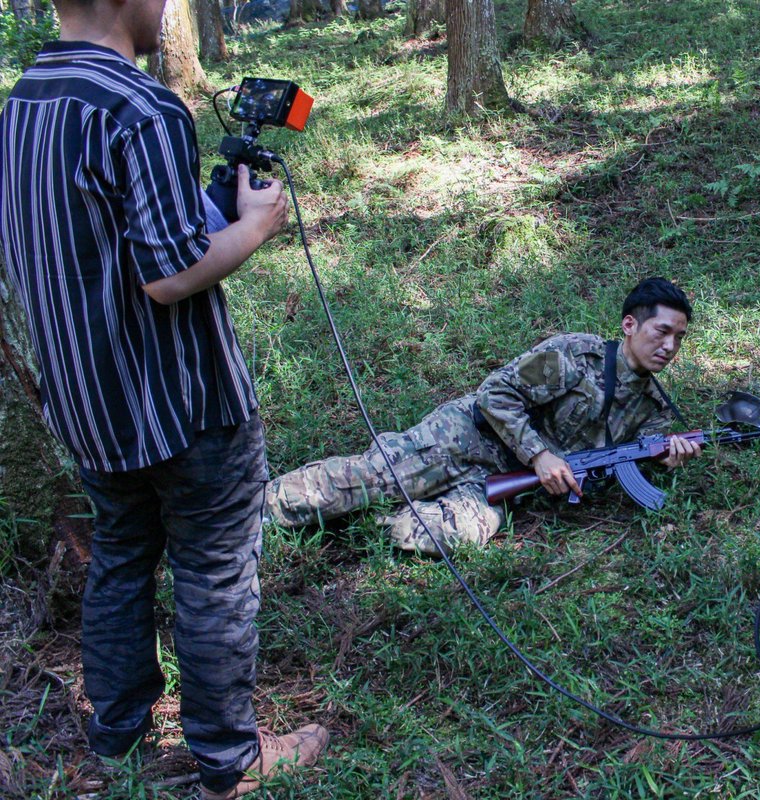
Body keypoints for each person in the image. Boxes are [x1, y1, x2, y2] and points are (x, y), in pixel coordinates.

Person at [0, 0, 329, 796]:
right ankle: (229, 760)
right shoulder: (140, 106)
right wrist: (255, 226)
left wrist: (211, 214)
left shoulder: (21, 103)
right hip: (182, 404)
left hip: (86, 404)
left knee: (120, 557)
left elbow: (104, 239)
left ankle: (115, 732)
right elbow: (168, 274)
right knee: (215, 571)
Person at [266, 277, 702, 552]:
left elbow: (641, 453)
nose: (669, 346)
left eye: (678, 338)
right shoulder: (577, 355)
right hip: (466, 438)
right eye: (661, 331)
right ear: (630, 325)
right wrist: (539, 455)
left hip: (505, 483)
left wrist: (668, 457)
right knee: (363, 482)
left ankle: (372, 523)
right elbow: (494, 393)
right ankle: (252, 511)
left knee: (449, 536)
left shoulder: (654, 408)